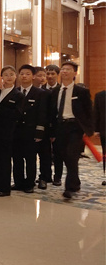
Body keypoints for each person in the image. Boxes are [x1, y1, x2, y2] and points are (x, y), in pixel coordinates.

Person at [48, 61, 94, 199]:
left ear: (74, 73)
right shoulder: (55, 91)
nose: (65, 71)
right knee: (63, 156)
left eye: (68, 69)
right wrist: (51, 131)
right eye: (63, 69)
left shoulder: (81, 91)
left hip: (75, 127)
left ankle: (70, 187)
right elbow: (52, 112)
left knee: (71, 155)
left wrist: (89, 129)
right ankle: (76, 182)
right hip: (60, 126)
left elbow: (89, 111)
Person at [0, 66, 23, 197]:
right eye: (6, 74)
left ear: (15, 76)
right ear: (1, 76)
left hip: (7, 131)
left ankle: (4, 188)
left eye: (11, 74)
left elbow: (17, 113)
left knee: (4, 159)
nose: (9, 77)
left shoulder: (18, 94)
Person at [12, 65, 47, 193]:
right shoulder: (15, 91)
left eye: (27, 74)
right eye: (22, 73)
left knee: (30, 158)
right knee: (17, 158)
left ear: (33, 76)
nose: (24, 76)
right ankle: (18, 182)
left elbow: (42, 114)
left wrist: (39, 132)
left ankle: (29, 183)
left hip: (31, 131)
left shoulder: (40, 93)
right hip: (16, 131)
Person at [43, 64, 63, 185]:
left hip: (58, 126)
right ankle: (46, 176)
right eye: (48, 74)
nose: (50, 76)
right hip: (44, 125)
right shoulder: (41, 89)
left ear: (57, 75)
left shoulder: (61, 90)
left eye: (53, 74)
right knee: (45, 153)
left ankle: (58, 176)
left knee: (58, 153)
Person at [95, 90, 106, 174]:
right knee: (105, 152)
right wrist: (96, 129)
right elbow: (96, 113)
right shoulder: (100, 96)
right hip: (104, 130)